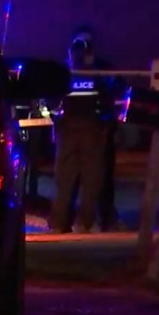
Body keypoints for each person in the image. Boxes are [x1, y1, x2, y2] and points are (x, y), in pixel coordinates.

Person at [49, 30, 116, 234]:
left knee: (64, 182)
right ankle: (85, 223)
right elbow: (107, 105)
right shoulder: (98, 76)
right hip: (91, 132)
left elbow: (50, 104)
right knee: (91, 180)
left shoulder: (62, 77)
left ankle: (58, 224)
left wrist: (57, 123)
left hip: (67, 132)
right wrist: (104, 126)